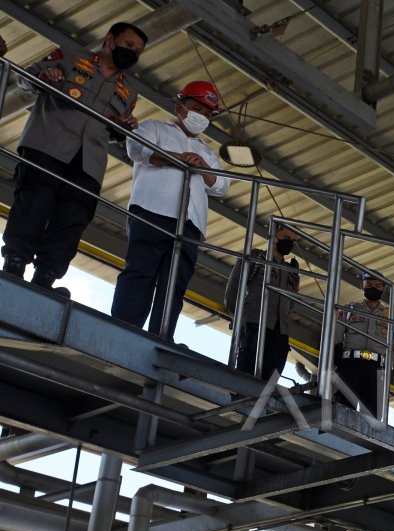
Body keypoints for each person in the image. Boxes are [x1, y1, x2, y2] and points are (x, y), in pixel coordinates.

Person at [1, 22, 145, 294]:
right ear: (110, 40)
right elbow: (25, 80)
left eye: (138, 51)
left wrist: (122, 128)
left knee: (72, 219)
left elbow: (112, 133)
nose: (133, 53)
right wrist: (45, 76)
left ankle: (46, 278)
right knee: (34, 203)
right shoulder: (68, 55)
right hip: (47, 144)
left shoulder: (130, 92)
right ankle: (14, 265)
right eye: (129, 45)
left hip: (88, 162)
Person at [110, 80, 229, 339]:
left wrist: (201, 168)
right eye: (197, 108)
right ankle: (123, 329)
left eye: (208, 114)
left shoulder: (207, 153)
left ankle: (161, 336)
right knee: (140, 271)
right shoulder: (153, 127)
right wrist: (176, 159)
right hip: (153, 210)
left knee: (174, 284)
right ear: (179, 106)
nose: (202, 116)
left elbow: (221, 186)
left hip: (190, 223)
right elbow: (137, 150)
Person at [225, 226, 301, 378]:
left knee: (268, 386)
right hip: (254, 325)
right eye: (286, 237)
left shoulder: (292, 271)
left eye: (292, 241)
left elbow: (291, 305)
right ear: (273, 236)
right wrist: (239, 319)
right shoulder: (256, 257)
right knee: (244, 378)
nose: (289, 243)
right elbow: (233, 288)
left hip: (280, 334)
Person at [334, 274, 392, 419]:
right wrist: (337, 360)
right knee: (344, 408)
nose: (373, 288)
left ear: (384, 290)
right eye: (369, 284)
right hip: (351, 364)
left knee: (372, 415)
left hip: (375, 367)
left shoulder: (390, 317)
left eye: (378, 286)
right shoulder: (349, 309)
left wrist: (387, 369)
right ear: (362, 286)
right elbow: (336, 334)